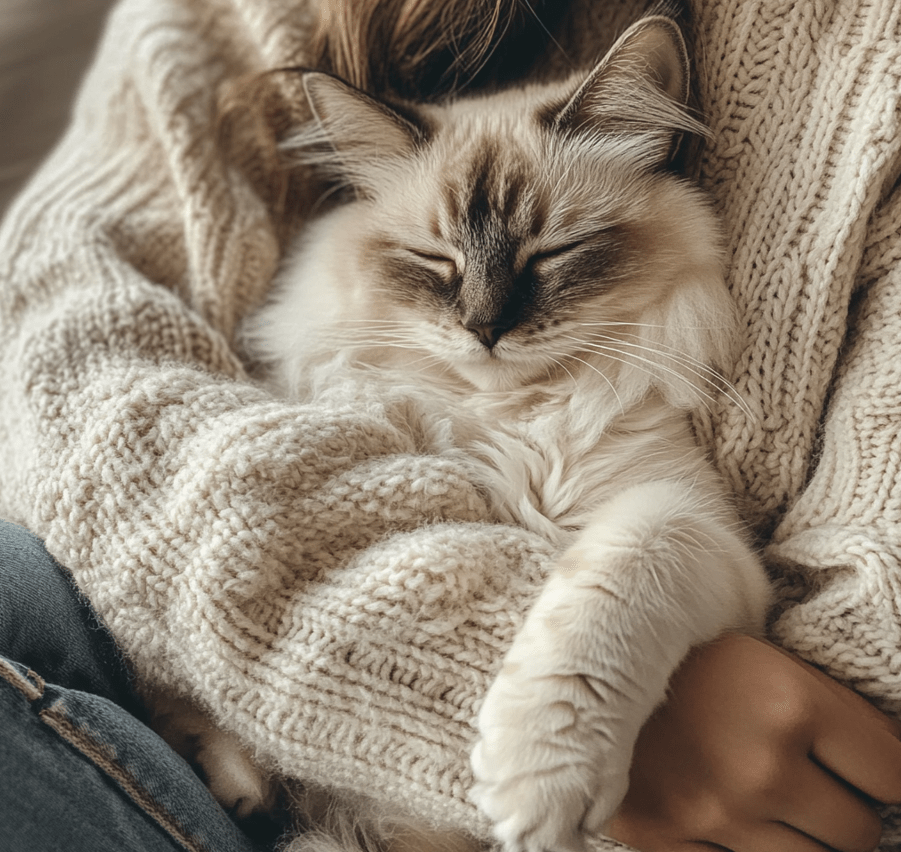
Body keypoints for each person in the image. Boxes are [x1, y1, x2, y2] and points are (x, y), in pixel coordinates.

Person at [2, 1, 901, 851]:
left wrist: (592, 672)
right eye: (431, 265)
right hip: (227, 710)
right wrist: (460, 676)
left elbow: (704, 555)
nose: (484, 314)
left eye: (551, 259)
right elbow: (53, 345)